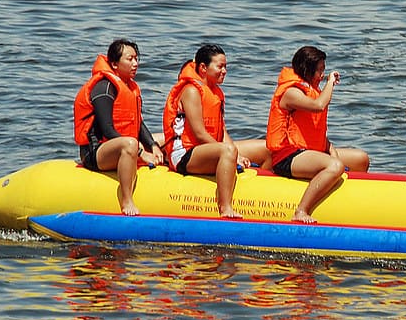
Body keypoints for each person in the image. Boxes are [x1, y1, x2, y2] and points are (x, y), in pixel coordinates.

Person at [162, 43, 271, 219]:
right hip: (185, 154)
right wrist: (232, 154)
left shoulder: (215, 93)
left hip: (210, 149)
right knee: (228, 151)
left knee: (266, 148)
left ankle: (261, 191)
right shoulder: (191, 91)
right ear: (203, 68)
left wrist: (235, 153)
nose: (224, 71)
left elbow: (222, 130)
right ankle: (225, 207)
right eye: (220, 66)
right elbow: (199, 134)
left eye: (225, 66)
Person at [266, 45, 370, 224]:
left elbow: (313, 129)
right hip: (288, 156)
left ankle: (351, 206)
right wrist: (330, 83)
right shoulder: (291, 93)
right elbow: (318, 106)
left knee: (361, 159)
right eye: (320, 70)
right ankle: (301, 210)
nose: (322, 75)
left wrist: (331, 149)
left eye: (324, 70)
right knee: (335, 166)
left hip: (309, 152)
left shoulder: (312, 91)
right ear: (307, 70)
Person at [74, 38, 164, 216]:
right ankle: (127, 201)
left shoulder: (130, 87)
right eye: (130, 59)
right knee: (130, 144)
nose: (135, 63)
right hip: (96, 152)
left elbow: (138, 123)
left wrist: (152, 145)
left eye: (136, 59)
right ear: (114, 64)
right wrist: (141, 152)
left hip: (123, 144)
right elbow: (107, 130)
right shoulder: (104, 87)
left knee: (164, 137)